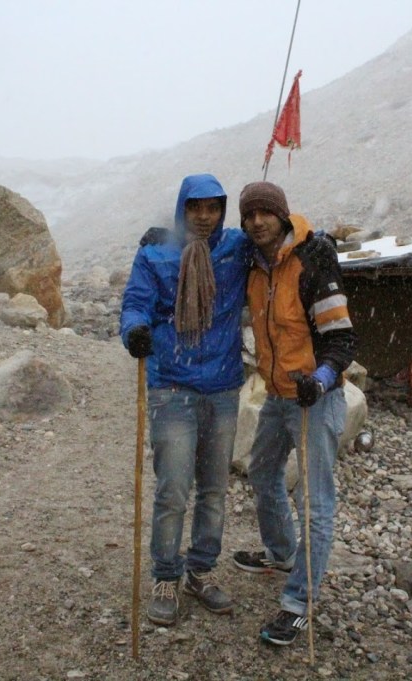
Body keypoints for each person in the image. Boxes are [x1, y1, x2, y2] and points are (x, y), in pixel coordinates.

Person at [119, 173, 248, 626]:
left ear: (222, 210)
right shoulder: (156, 252)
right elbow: (136, 302)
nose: (204, 216)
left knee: (213, 490)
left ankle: (200, 570)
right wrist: (134, 331)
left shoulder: (236, 248)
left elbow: (280, 244)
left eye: (213, 207)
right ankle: (165, 575)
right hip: (171, 385)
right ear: (183, 209)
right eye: (196, 208)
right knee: (174, 489)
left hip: (224, 388)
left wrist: (313, 239)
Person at [232, 181, 357, 646]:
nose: (257, 222)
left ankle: (299, 602)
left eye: (265, 213)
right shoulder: (253, 263)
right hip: (278, 394)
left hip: (314, 398)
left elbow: (342, 338)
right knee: (262, 471)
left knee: (316, 501)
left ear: (282, 215)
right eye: (249, 216)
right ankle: (282, 552)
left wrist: (319, 380)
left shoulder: (313, 258)